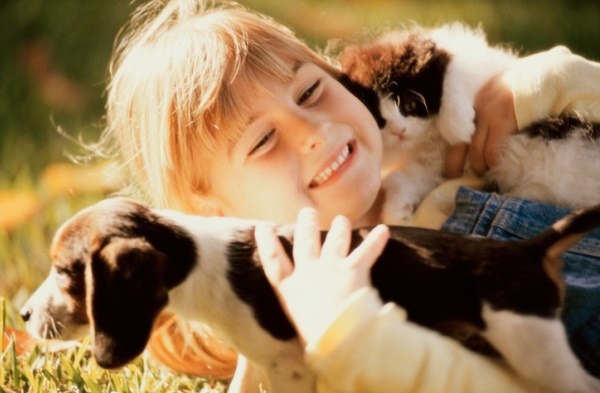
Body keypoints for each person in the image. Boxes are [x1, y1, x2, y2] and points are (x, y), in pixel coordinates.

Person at [100, 0, 600, 390]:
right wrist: (349, 333)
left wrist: (555, 81)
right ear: (213, 212)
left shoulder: (441, 152)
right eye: (263, 141)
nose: (311, 129)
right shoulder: (316, 318)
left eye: (310, 92)